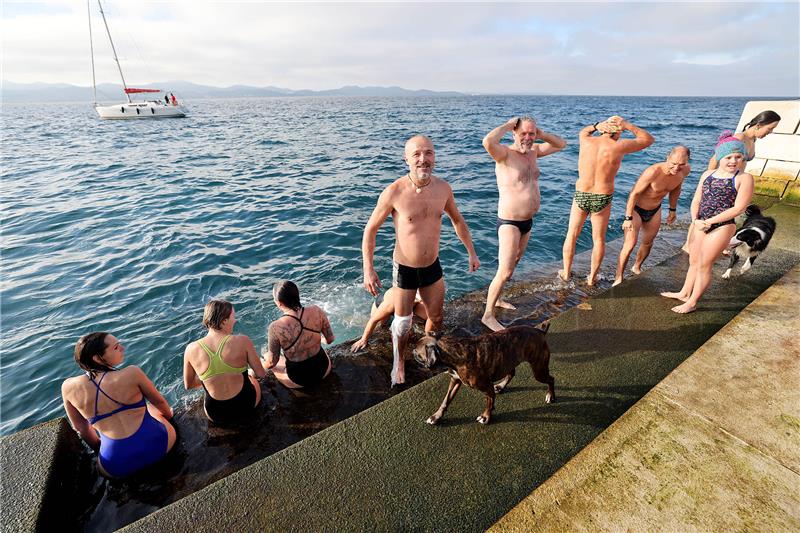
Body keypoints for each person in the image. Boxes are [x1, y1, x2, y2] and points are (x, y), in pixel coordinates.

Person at [361, 134, 480, 385]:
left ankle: (427, 350)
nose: (423, 159)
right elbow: (370, 229)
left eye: (428, 153)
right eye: (416, 154)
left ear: (434, 157)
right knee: (402, 323)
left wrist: (471, 251)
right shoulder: (394, 191)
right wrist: (368, 269)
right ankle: (399, 361)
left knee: (436, 318)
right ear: (406, 159)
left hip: (432, 267)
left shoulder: (443, 189)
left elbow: (458, 221)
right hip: (404, 268)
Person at [481, 116, 567, 331]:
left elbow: (562, 145)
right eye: (523, 133)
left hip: (527, 221)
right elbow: (487, 142)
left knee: (515, 262)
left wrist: (542, 133)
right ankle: (488, 315)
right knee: (505, 270)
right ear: (514, 133)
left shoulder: (534, 151)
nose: (527, 138)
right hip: (509, 221)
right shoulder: (504, 154)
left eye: (531, 133)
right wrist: (506, 125)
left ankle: (498, 299)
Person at [61, 332, 177, 478]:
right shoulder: (132, 373)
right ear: (97, 358)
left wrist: (100, 449)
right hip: (159, 444)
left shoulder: (68, 387)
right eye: (116, 348)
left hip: (115, 464)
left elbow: (81, 429)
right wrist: (170, 419)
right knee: (150, 408)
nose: (123, 348)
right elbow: (160, 402)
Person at [661, 135, 754, 313]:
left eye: (738, 157)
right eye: (728, 157)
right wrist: (695, 220)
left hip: (723, 225)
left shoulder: (744, 178)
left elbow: (739, 208)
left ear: (743, 158)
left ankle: (692, 302)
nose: (733, 161)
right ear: (720, 157)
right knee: (693, 261)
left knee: (704, 264)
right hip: (700, 222)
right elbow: (697, 199)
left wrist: (709, 221)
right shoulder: (707, 174)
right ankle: (684, 293)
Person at [560, 116, 654, 285]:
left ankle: (566, 274)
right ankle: (592, 278)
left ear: (603, 129)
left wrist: (596, 125)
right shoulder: (619, 146)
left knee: (572, 235)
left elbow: (583, 130)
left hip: (581, 193)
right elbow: (648, 139)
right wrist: (628, 125)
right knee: (598, 240)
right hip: (602, 197)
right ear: (618, 132)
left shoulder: (586, 140)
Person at [682, 110, 781, 252]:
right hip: (721, 182)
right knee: (703, 212)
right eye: (770, 129)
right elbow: (716, 159)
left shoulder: (752, 140)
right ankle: (689, 246)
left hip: (735, 182)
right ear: (759, 125)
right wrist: (710, 181)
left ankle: (719, 242)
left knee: (728, 212)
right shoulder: (739, 138)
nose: (770, 132)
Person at [613, 146, 691, 286]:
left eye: (681, 164)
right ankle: (618, 277)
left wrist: (672, 209)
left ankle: (636, 266)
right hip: (636, 209)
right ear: (668, 157)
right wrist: (628, 217)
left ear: (687, 161)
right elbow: (634, 194)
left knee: (648, 242)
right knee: (630, 243)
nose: (676, 167)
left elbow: (676, 188)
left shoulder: (684, 171)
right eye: (673, 163)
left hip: (655, 209)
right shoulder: (653, 172)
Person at [183, 300, 265, 423]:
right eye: (233, 317)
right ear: (224, 321)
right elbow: (261, 374)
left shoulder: (191, 349)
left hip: (215, 413)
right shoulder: (243, 340)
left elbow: (188, 385)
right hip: (246, 405)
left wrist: (211, 377)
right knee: (252, 379)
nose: (235, 320)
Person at [262, 280, 334, 389]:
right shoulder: (316, 310)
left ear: (279, 303)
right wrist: (318, 339)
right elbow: (330, 339)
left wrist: (261, 363)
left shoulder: (275, 327)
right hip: (324, 368)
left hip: (298, 379)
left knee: (266, 355)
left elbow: (272, 363)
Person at [350, 287, 428, 352]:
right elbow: (373, 320)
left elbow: (431, 321)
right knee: (379, 327)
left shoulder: (421, 304)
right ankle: (353, 320)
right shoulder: (391, 303)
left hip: (406, 302)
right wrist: (364, 339)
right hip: (382, 302)